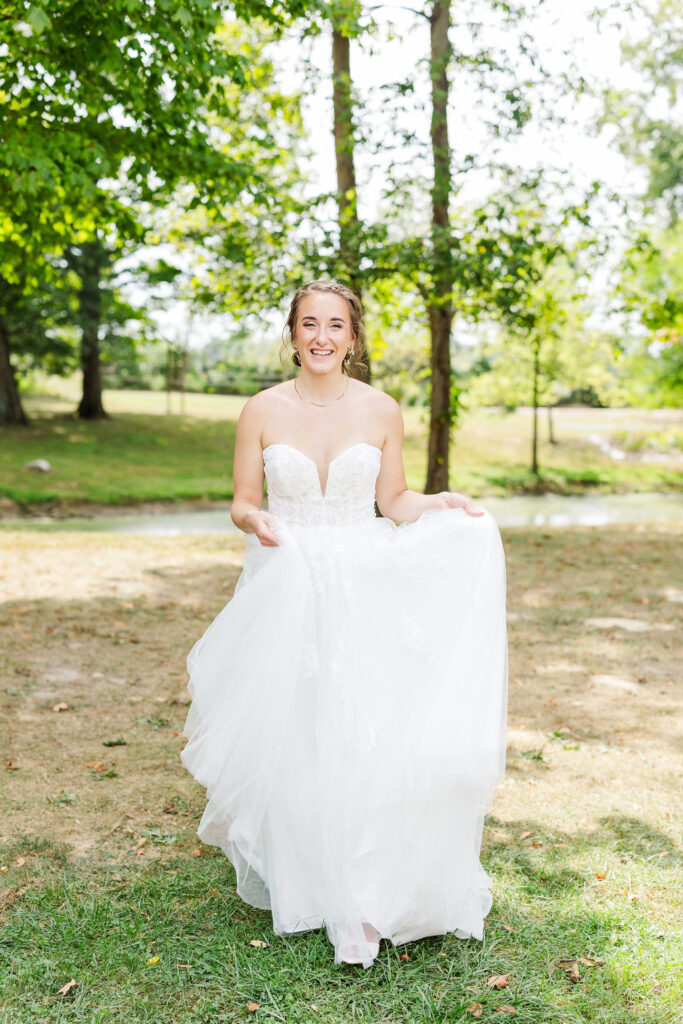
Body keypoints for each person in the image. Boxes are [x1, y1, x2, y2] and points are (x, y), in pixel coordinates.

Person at [181, 280, 508, 968]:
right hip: (288, 578)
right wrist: (257, 520)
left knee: (364, 725)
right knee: (300, 731)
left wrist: (439, 502)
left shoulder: (381, 409)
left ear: (352, 339)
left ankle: (365, 889)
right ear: (292, 334)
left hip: (364, 582)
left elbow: (391, 500)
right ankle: (309, 878)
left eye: (335, 325)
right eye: (309, 324)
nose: (321, 337)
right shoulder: (261, 409)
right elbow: (242, 501)